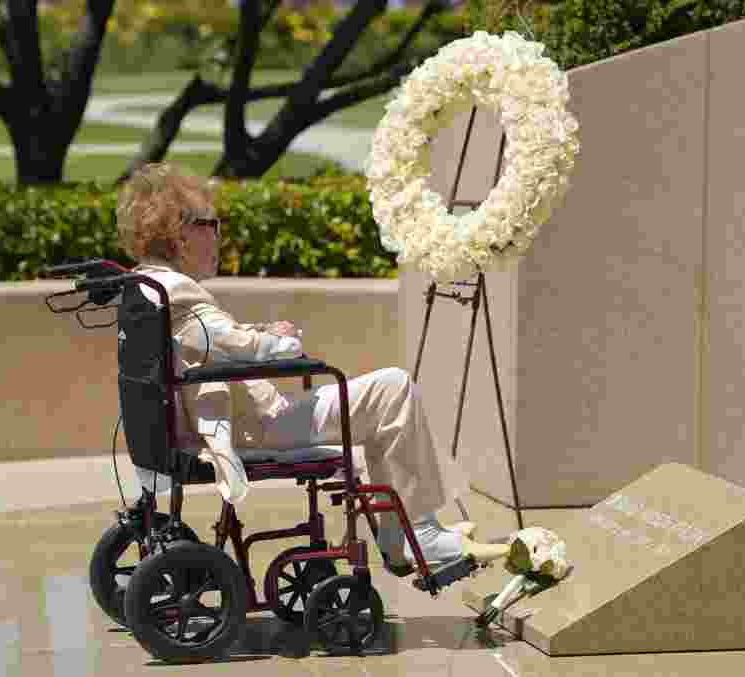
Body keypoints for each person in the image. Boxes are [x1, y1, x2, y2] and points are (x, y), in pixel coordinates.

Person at [114, 162, 508, 568]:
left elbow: (213, 339)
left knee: (378, 413)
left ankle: (403, 533)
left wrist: (262, 333)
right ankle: (419, 534)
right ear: (182, 235)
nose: (219, 234)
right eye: (212, 224)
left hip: (230, 422)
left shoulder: (149, 287)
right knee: (393, 389)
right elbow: (241, 345)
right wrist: (285, 342)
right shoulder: (178, 293)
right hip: (259, 426)